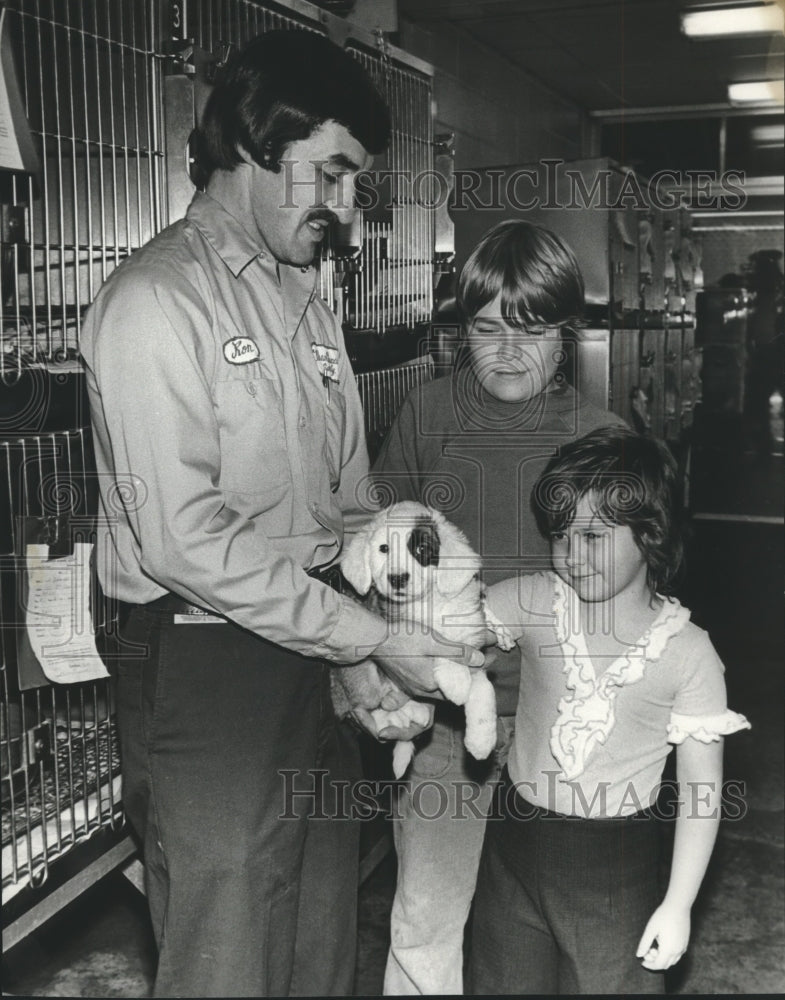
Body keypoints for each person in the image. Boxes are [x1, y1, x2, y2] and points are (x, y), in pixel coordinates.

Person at [80, 30, 481, 999]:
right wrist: (365, 639)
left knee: (316, 930)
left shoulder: (306, 299)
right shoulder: (154, 302)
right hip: (202, 654)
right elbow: (187, 538)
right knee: (229, 945)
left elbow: (342, 500)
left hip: (308, 637)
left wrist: (369, 637)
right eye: (331, 175)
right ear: (256, 145)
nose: (346, 210)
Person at [373, 220, 626, 995]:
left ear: (566, 334)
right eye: (487, 330)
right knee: (427, 911)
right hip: (447, 717)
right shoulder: (426, 414)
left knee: (550, 932)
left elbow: (625, 601)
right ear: (461, 331)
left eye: (532, 330)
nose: (509, 352)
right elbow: (376, 547)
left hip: (563, 724)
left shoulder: (603, 437)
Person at [469, 426, 751, 995]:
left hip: (615, 873)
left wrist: (678, 904)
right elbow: (446, 638)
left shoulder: (688, 652)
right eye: (560, 535)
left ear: (650, 533)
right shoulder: (531, 601)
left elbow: (702, 791)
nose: (572, 556)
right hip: (511, 853)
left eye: (593, 536)